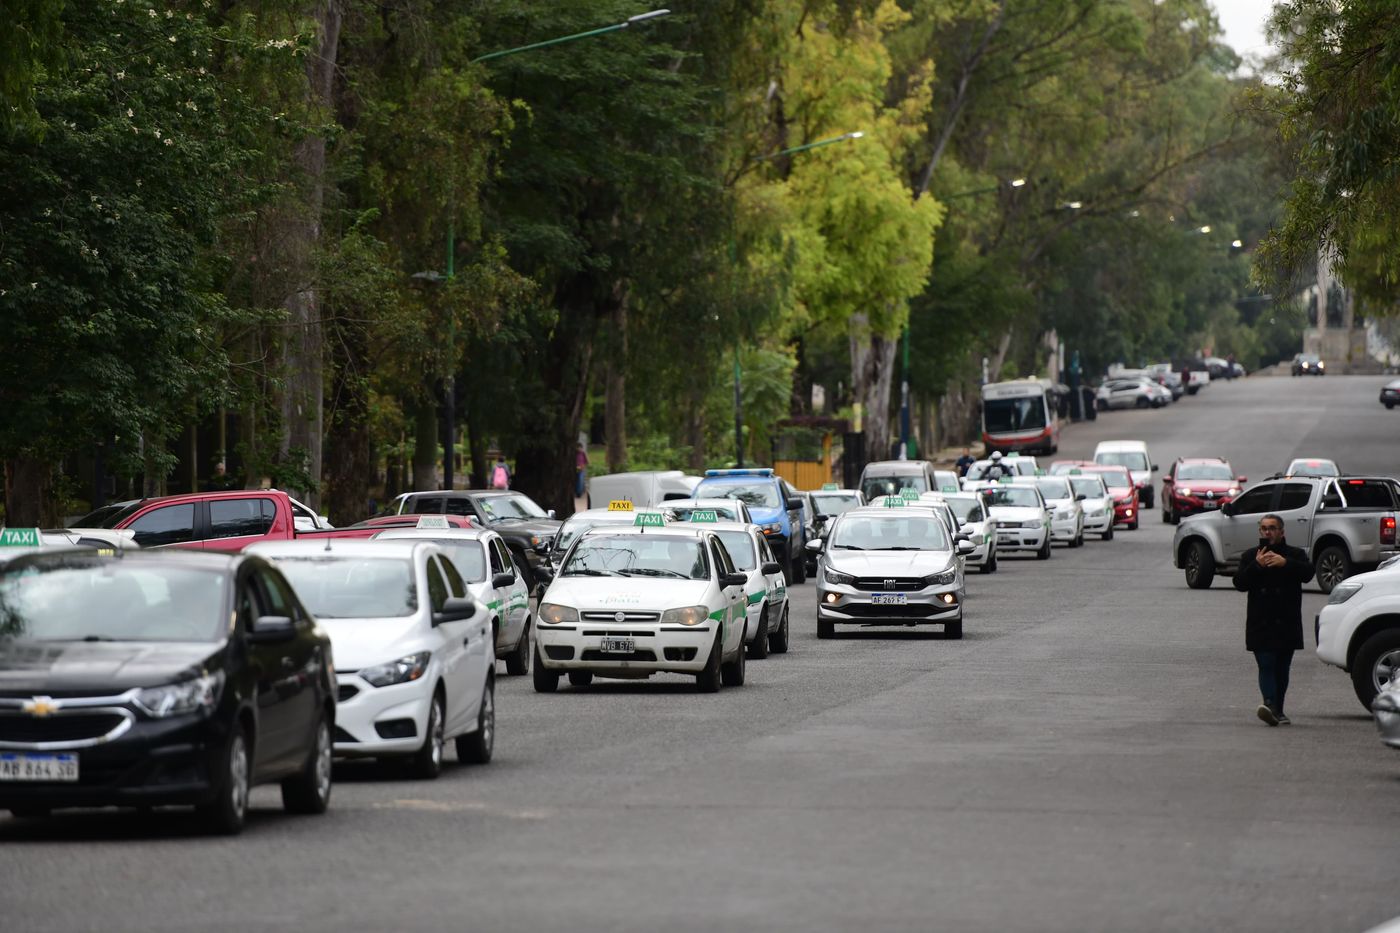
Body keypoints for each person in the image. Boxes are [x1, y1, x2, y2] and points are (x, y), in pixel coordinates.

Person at [1233, 513, 1314, 725]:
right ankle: (1269, 705)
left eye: (1272, 528)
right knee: (1266, 663)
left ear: (1281, 531)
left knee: (1282, 667)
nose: (1267, 532)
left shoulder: (1295, 554)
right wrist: (1257, 566)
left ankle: (1278, 710)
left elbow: (1308, 573)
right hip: (1261, 621)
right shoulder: (1251, 556)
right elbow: (1239, 583)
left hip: (1286, 621)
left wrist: (1285, 563)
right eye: (1264, 529)